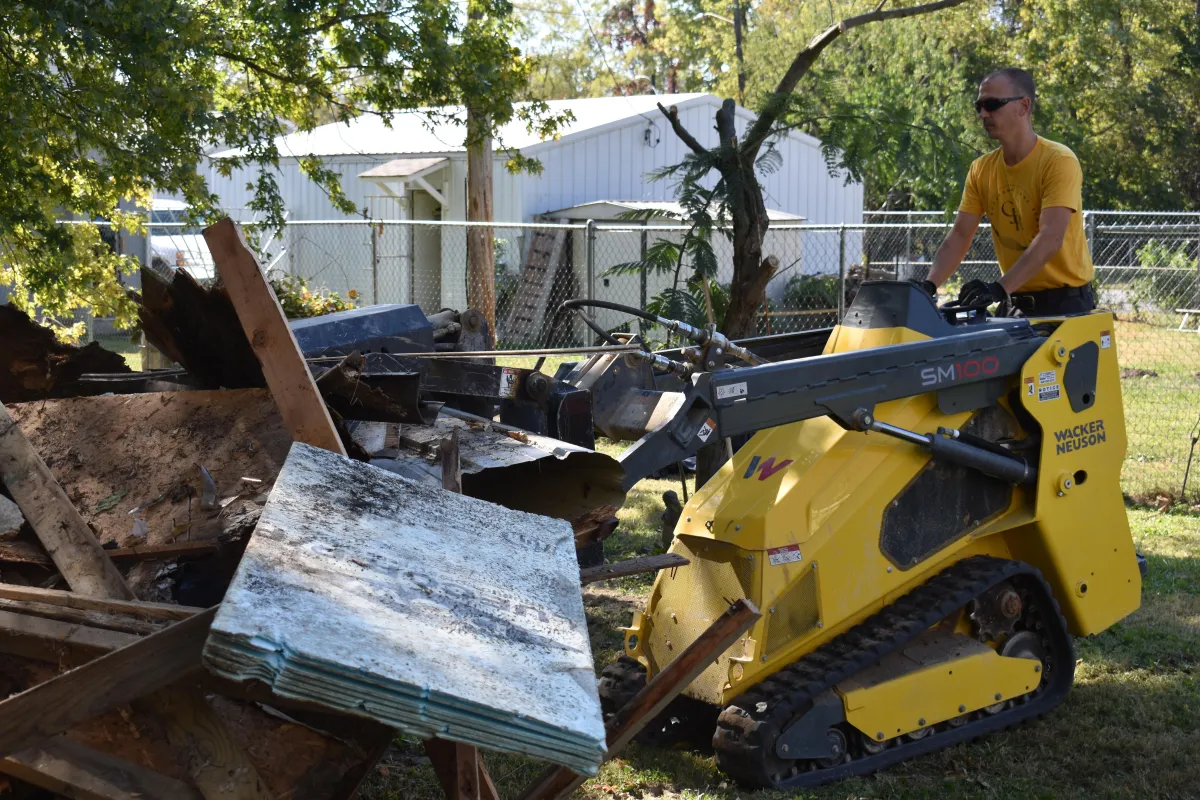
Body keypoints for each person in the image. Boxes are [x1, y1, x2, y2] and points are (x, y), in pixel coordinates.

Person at [919, 67, 1096, 315]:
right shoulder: (981, 169)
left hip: (1066, 308)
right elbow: (960, 235)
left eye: (992, 104)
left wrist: (999, 288)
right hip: (1014, 304)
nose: (982, 114)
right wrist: (928, 285)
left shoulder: (1058, 161)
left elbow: (1050, 238)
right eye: (978, 106)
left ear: (1023, 106)